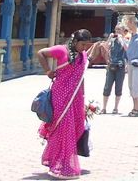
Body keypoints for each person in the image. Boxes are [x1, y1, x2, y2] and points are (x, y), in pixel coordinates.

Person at [37, 29, 92, 179]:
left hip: (76, 97)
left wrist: (83, 95)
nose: (84, 48)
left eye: (86, 45)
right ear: (75, 41)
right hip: (60, 96)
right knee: (63, 128)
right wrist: (48, 71)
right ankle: (61, 165)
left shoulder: (83, 55)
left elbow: (81, 77)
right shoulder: (62, 50)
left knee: (75, 128)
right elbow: (41, 53)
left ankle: (60, 159)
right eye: (82, 44)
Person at [103, 26, 128, 114]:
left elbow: (127, 48)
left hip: (120, 66)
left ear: (123, 31)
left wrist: (121, 39)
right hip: (111, 65)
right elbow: (105, 47)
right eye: (116, 30)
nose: (117, 31)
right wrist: (109, 38)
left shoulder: (125, 40)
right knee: (107, 87)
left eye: (119, 30)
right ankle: (104, 108)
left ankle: (116, 108)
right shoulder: (112, 40)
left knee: (118, 87)